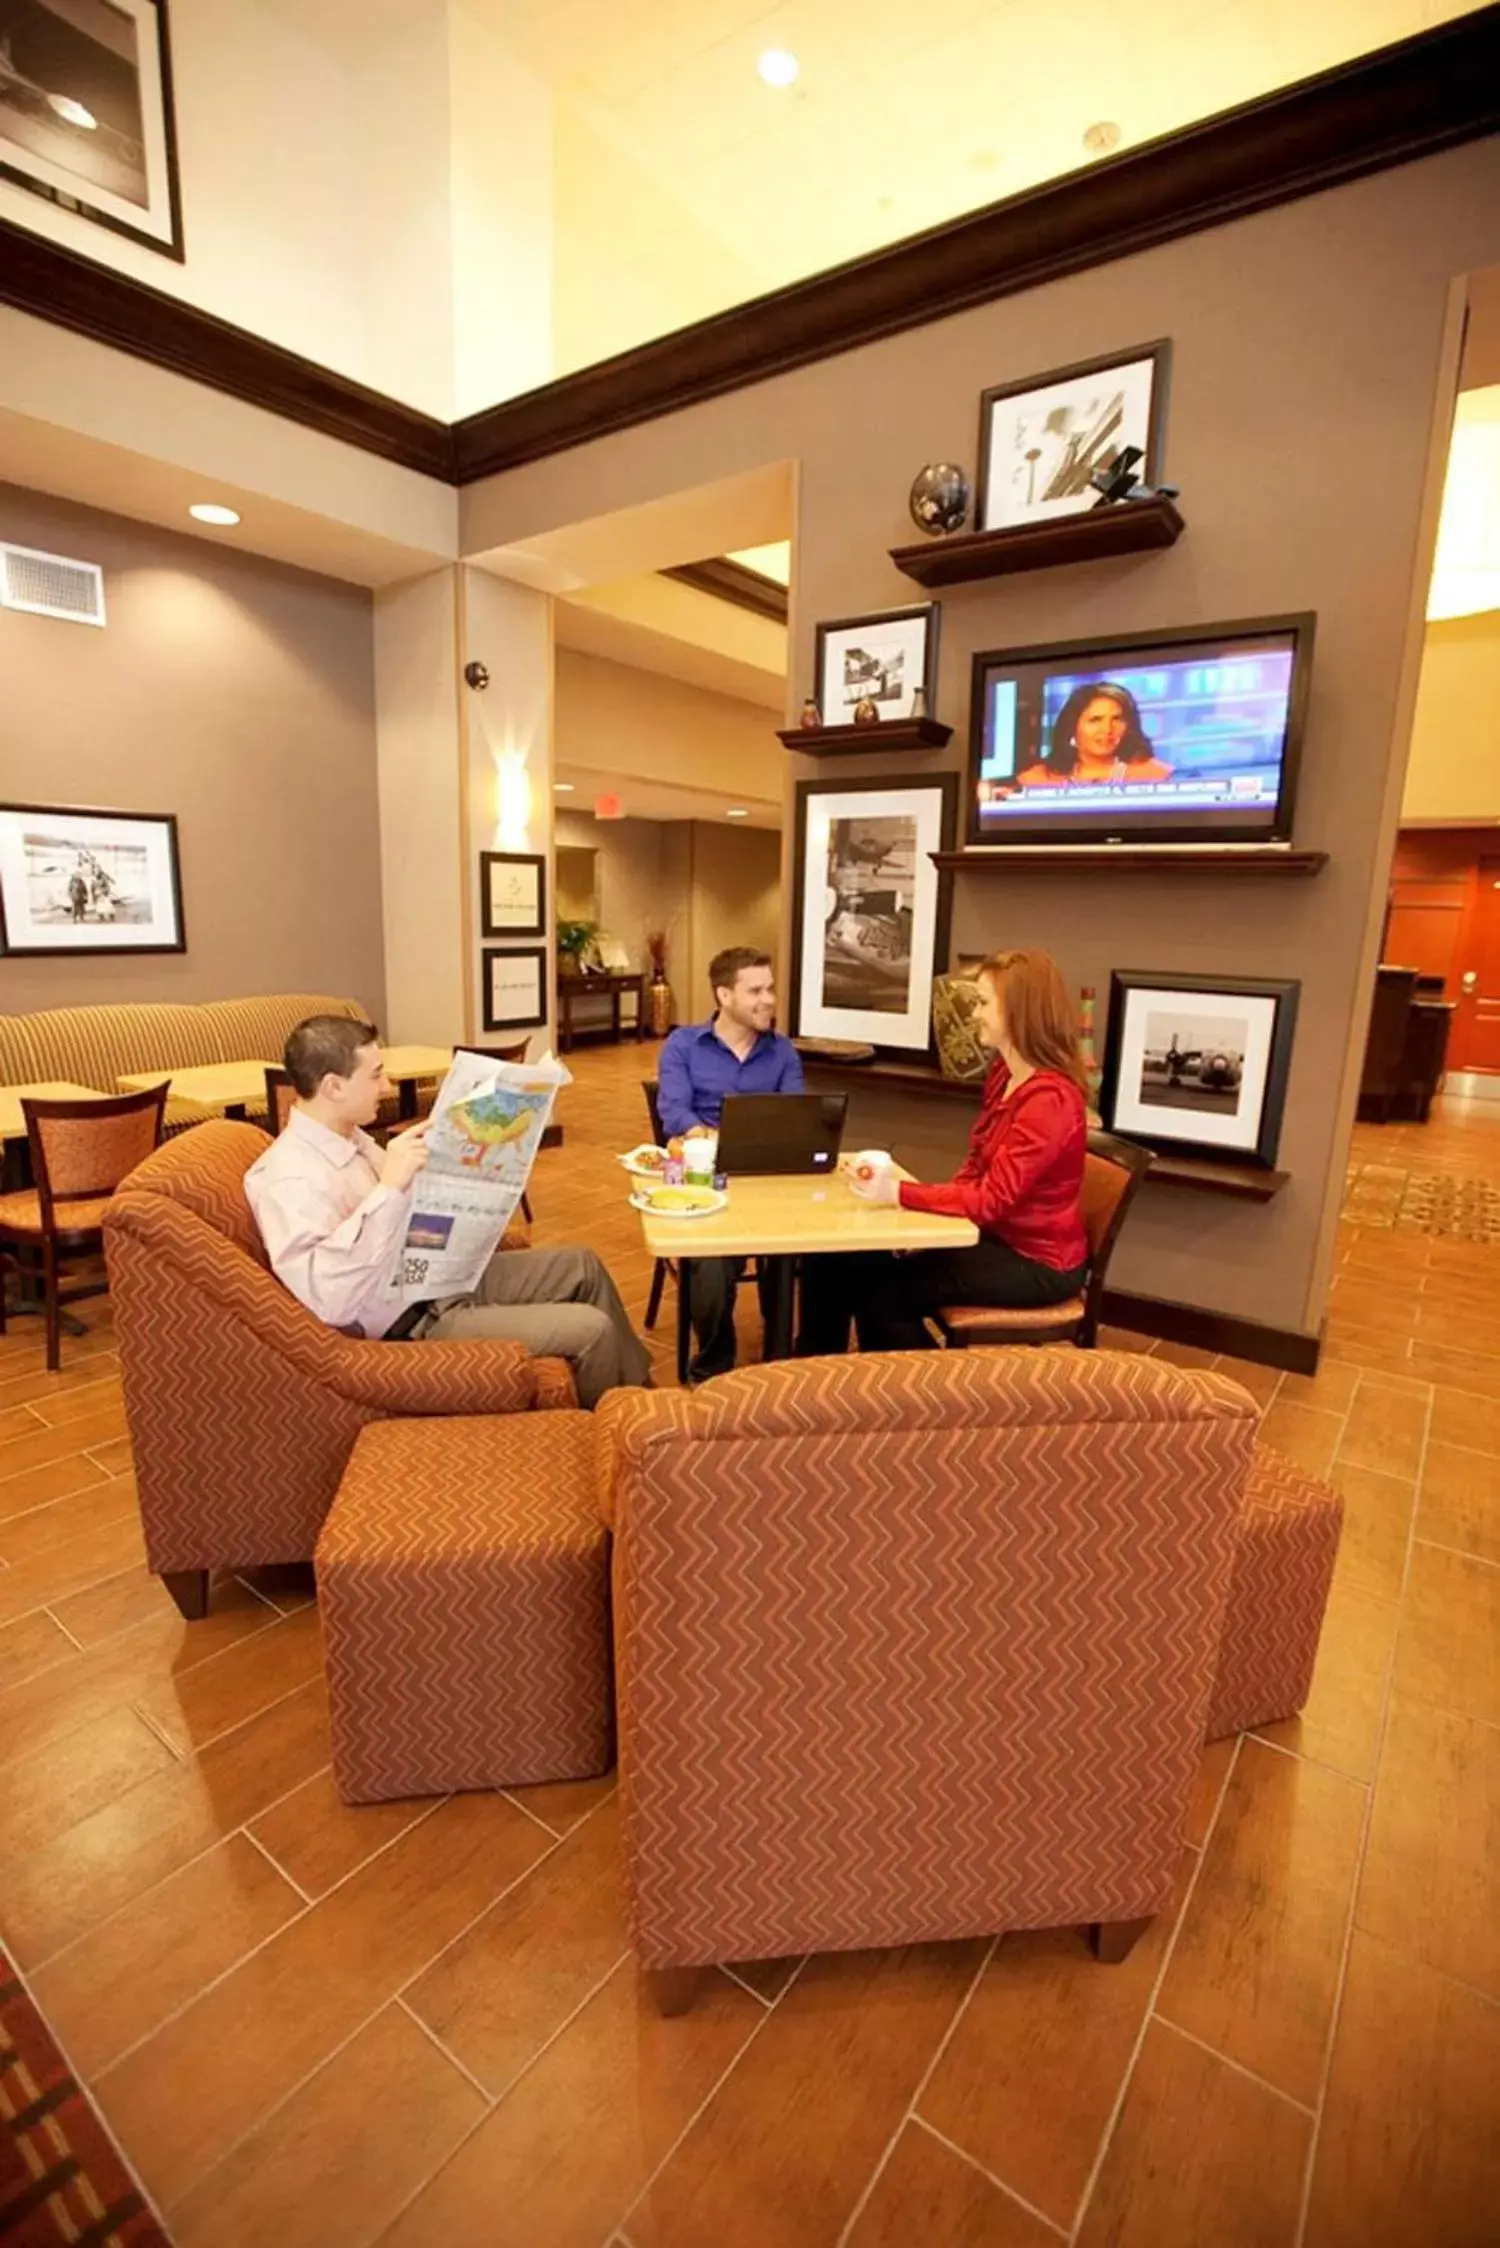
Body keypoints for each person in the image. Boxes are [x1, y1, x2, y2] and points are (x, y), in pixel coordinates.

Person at [244, 1015, 650, 1408]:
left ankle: (644, 1404)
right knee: (592, 1331)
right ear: (333, 1086)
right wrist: (389, 1188)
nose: (385, 1086)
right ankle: (622, 1434)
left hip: (433, 1276)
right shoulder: (289, 1179)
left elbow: (406, 1217)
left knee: (582, 1265)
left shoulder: (350, 1138)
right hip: (411, 1322)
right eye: (375, 1075)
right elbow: (330, 1300)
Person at [796, 948, 1089, 1356]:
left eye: (984, 1003)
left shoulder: (1049, 1101)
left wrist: (899, 1195)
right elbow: (976, 1163)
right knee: (830, 1262)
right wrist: (929, 1225)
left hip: (1035, 1263)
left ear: (1019, 1012)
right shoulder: (1006, 1073)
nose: (974, 1014)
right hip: (989, 1237)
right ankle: (812, 1370)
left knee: (885, 1295)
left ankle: (927, 1401)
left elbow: (991, 1201)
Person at [656, 946, 803, 1382]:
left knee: (801, 1248)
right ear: (724, 995)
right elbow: (675, 1113)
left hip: (768, 1179)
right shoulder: (683, 1046)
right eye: (755, 990)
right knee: (711, 1258)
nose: (769, 1000)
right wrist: (708, 1138)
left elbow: (795, 1119)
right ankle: (716, 1365)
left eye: (770, 989)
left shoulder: (782, 1053)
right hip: (706, 1179)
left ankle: (782, 1356)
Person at [1017, 681, 1172, 786]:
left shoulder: (1156, 774)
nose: (1107, 729)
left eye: (1117, 719)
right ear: (1072, 726)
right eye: (1095, 720)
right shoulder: (1036, 779)